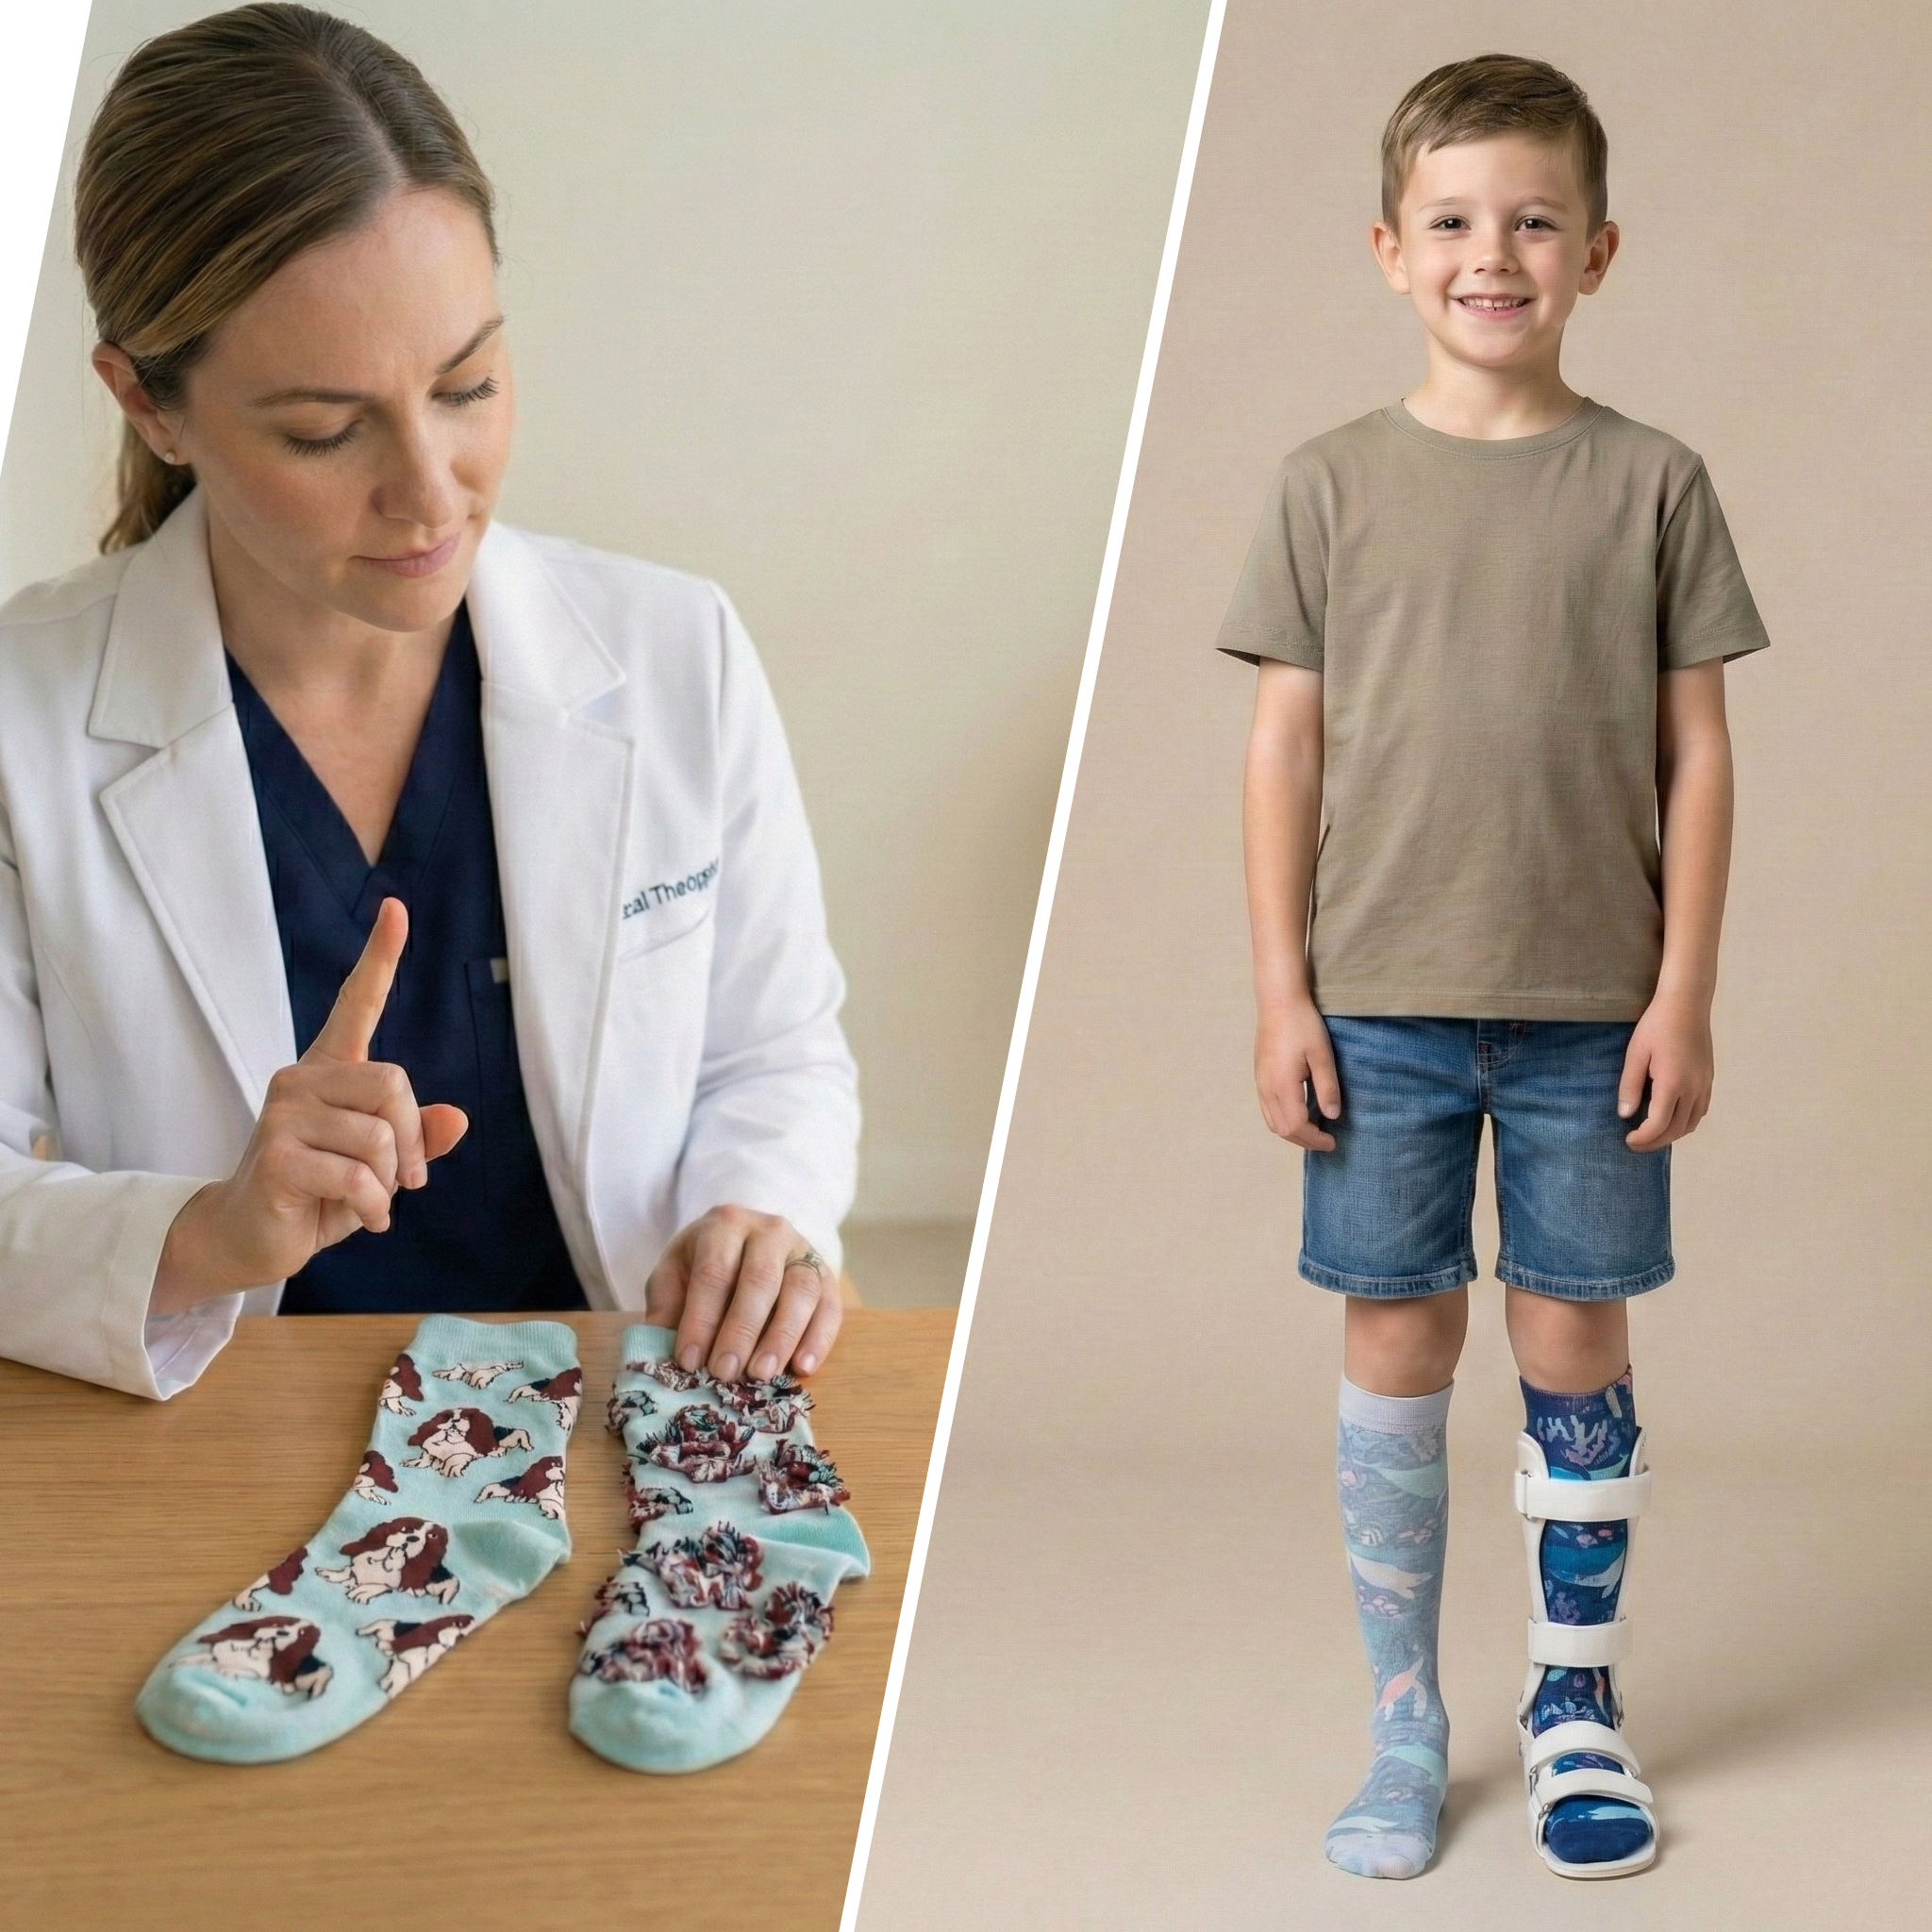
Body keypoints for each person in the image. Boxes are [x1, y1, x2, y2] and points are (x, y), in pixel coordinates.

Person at [0, 4, 858, 1403]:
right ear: (150, 405)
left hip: (609, 1402)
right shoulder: (20, 716)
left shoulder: (675, 650)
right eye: (324, 430)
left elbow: (774, 1050)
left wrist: (761, 1213)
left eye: (466, 385)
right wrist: (206, 1232)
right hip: (200, 1431)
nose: (432, 488)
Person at [1220, 53, 1769, 1881]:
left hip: (1591, 1008)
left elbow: (1696, 752)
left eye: (1533, 220)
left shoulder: (1655, 484)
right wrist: (1279, 989)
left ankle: (1572, 1706)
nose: (1493, 253)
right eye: (1453, 221)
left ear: (1596, 249)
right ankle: (1403, 1719)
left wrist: (1682, 988)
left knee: (1569, 1335)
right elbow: (1281, 752)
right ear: (1389, 248)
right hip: (1373, 997)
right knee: (1394, 1333)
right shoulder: (1323, 486)